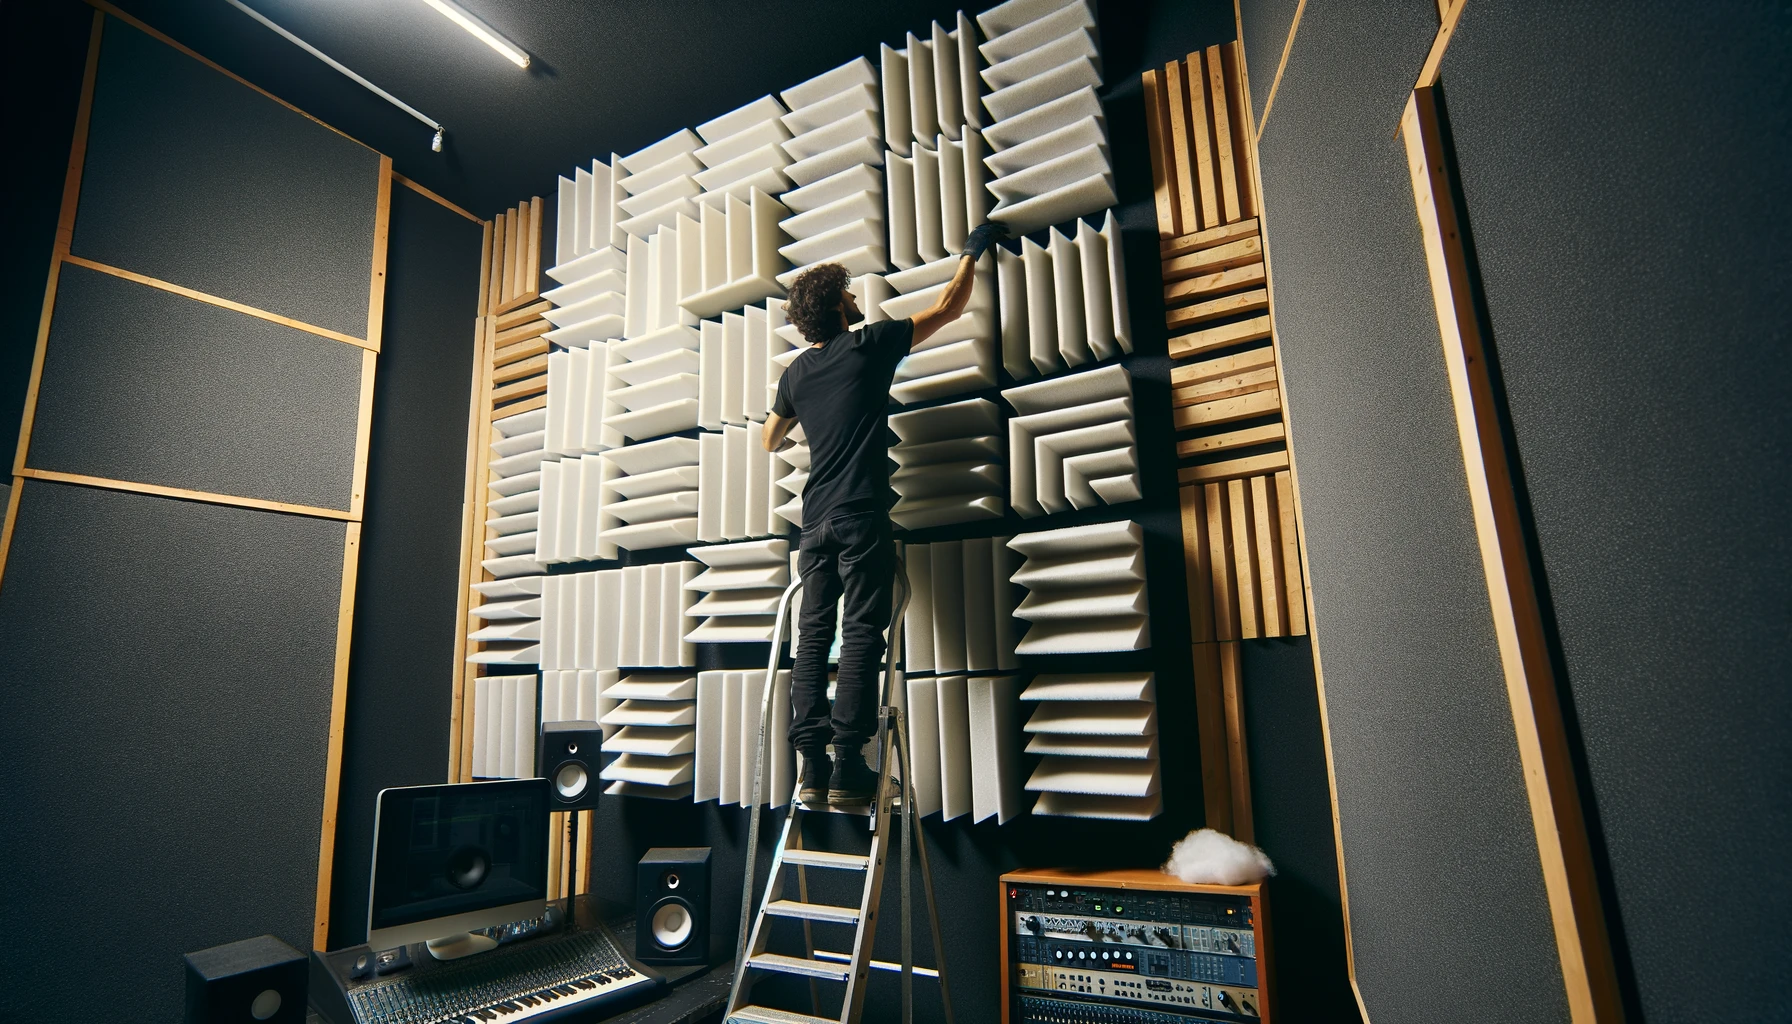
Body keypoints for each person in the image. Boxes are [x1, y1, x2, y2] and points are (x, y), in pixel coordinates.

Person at [762, 222, 1009, 806]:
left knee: (811, 639)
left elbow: (770, 440)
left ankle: (812, 773)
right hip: (859, 517)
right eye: (848, 293)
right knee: (859, 637)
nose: (855, 298)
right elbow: (949, 306)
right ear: (838, 305)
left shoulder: (795, 372)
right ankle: (850, 769)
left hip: (813, 523)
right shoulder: (868, 345)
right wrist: (972, 252)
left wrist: (810, 433)